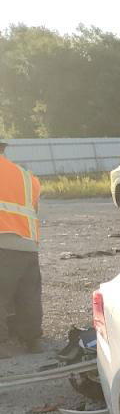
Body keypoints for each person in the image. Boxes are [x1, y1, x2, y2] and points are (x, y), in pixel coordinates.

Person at [0, 139, 42, 355]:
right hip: (27, 245)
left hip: (2, 243)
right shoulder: (27, 177)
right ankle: (33, 341)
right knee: (29, 295)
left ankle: (2, 345)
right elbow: (34, 209)